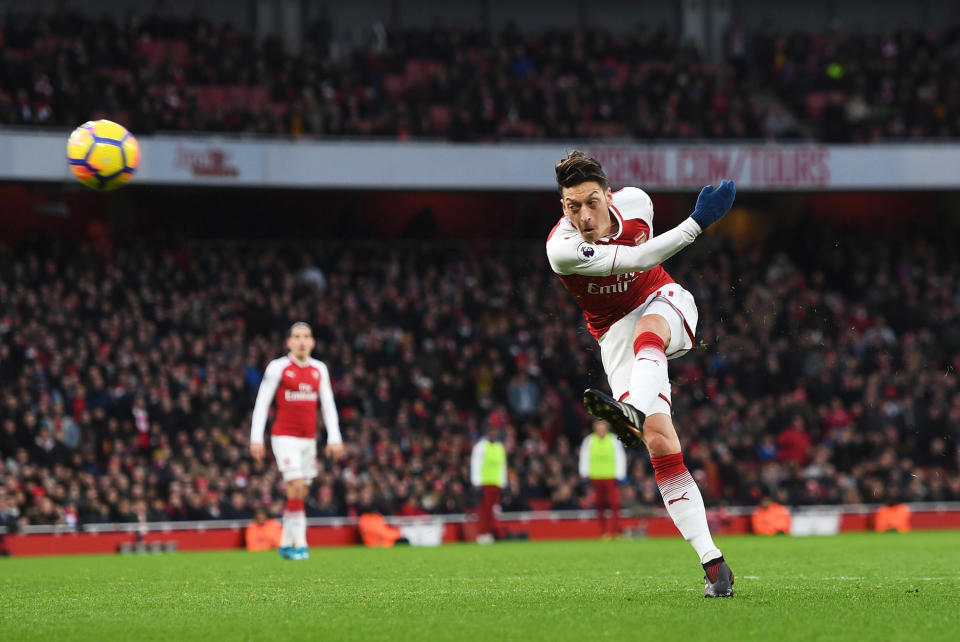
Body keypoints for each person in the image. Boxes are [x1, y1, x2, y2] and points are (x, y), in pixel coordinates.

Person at [546, 150, 737, 597]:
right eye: (573, 206)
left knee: (649, 332)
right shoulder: (562, 248)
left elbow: (648, 262)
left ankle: (629, 409)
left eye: (592, 201)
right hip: (613, 332)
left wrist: (691, 226)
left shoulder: (638, 203)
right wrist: (697, 223)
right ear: (563, 208)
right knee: (659, 441)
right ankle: (714, 566)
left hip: (662, 300)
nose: (584, 215)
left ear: (609, 195)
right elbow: (633, 259)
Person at [250, 322, 344, 561]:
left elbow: (328, 404)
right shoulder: (278, 367)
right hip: (284, 436)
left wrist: (334, 437)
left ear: (312, 342)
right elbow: (262, 403)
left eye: (306, 336)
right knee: (296, 484)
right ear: (289, 342)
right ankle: (300, 543)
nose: (302, 340)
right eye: (297, 336)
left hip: (308, 440)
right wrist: (256, 437)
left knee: (299, 493)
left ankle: (284, 543)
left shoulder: (319, 369)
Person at [579, 419, 627, 537]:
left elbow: (620, 457)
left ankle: (615, 531)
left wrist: (620, 473)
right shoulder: (589, 440)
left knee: (614, 504)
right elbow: (584, 456)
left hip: (610, 476)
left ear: (607, 427)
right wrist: (584, 472)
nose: (600, 428)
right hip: (596, 476)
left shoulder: (613, 440)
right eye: (598, 426)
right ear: (595, 427)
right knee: (599, 505)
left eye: (602, 425)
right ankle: (603, 531)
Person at [469, 425, 507, 544]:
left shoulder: (499, 447)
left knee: (493, 511)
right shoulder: (480, 447)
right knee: (483, 510)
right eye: (491, 431)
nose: (493, 434)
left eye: (495, 432)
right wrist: (477, 483)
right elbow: (475, 465)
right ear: (487, 433)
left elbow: (503, 466)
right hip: (484, 483)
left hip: (496, 483)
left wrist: (503, 483)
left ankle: (490, 533)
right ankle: (482, 534)